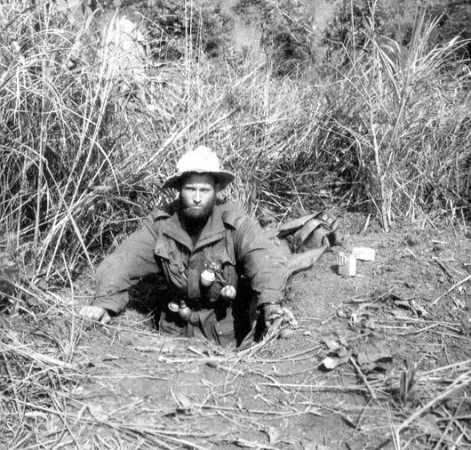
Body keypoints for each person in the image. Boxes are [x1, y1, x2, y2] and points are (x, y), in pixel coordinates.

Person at [80, 146, 288, 347]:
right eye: (190, 189)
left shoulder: (235, 223)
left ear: (216, 190)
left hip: (224, 334)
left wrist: (271, 304)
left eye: (204, 190)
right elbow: (124, 259)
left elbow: (264, 259)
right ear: (179, 189)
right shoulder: (162, 223)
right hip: (174, 330)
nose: (197, 198)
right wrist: (104, 303)